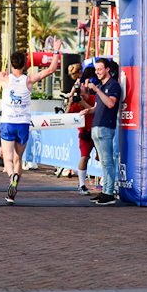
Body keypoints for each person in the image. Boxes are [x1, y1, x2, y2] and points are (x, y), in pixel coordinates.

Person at [0, 36, 63, 204]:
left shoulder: (5, 78)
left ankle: (12, 177)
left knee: (8, 159)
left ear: (11, 65)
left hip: (7, 123)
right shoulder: (29, 80)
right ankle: (12, 194)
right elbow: (51, 69)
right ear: (25, 65)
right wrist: (55, 51)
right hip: (23, 124)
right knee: (18, 159)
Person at [80, 58, 121, 205]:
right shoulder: (101, 86)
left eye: (99, 69)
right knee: (103, 162)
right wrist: (88, 110)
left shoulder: (113, 85)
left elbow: (111, 103)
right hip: (96, 126)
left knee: (107, 161)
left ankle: (109, 192)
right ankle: (105, 190)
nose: (97, 72)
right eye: (96, 69)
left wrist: (97, 90)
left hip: (105, 127)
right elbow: (97, 107)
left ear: (107, 69)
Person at [66, 65, 96, 195]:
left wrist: (85, 105)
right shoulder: (76, 103)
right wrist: (70, 103)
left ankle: (107, 183)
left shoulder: (94, 99)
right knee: (84, 157)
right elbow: (66, 118)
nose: (80, 98)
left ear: (88, 94)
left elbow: (98, 112)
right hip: (85, 134)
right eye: (79, 96)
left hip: (97, 131)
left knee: (103, 158)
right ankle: (82, 185)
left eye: (82, 95)